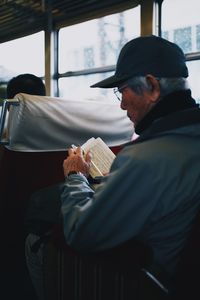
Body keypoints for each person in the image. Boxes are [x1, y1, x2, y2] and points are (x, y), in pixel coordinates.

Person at [26, 35, 200, 299]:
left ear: (152, 86)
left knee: (34, 242)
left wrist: (75, 175)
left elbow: (80, 233)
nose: (120, 104)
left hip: (145, 281)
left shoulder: (144, 158)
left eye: (123, 91)